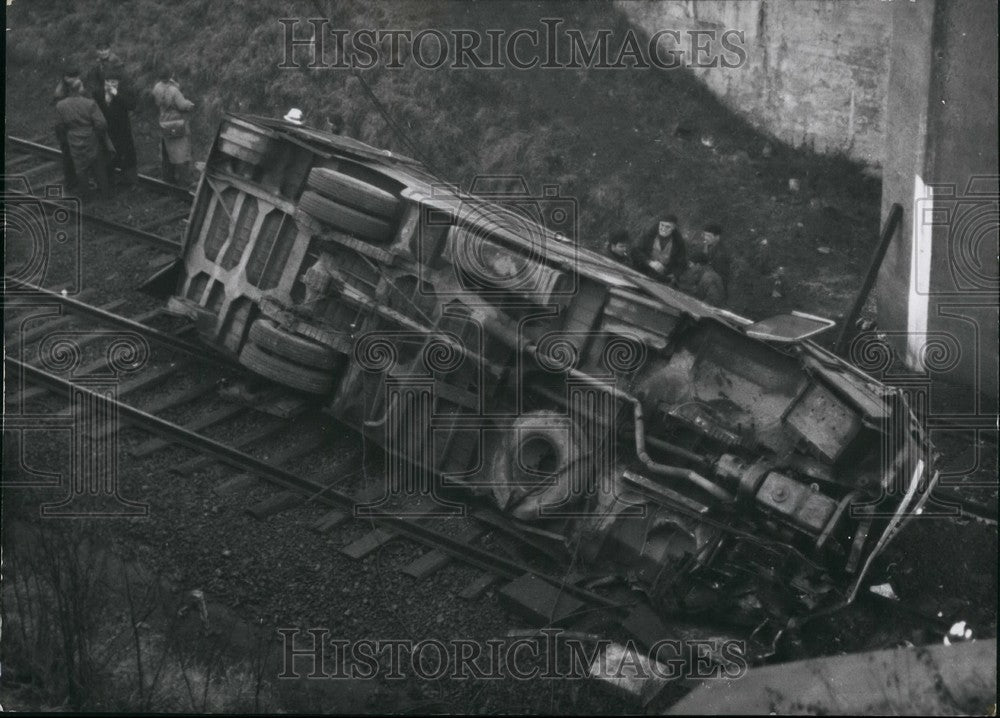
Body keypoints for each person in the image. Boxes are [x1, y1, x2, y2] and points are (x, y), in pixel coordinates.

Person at [55, 78, 109, 199]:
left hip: (73, 138)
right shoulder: (90, 103)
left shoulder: (60, 105)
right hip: (90, 136)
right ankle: (105, 194)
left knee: (80, 168)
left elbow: (59, 126)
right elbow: (102, 124)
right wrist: (97, 134)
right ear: (80, 89)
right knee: (98, 165)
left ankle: (86, 195)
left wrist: (66, 136)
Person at [152, 67, 196, 186]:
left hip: (164, 122)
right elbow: (182, 106)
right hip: (176, 123)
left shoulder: (156, 87)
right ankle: (185, 181)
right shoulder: (173, 90)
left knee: (167, 152)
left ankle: (168, 178)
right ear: (170, 75)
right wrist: (190, 104)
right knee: (181, 152)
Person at [95, 65, 138, 185]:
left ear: (118, 83)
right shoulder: (98, 93)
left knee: (127, 156)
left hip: (122, 130)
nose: (110, 84)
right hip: (107, 132)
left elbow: (131, 105)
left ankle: (130, 181)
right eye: (108, 81)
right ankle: (111, 180)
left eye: (113, 82)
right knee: (109, 156)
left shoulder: (124, 92)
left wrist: (116, 95)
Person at [634, 213, 687, 284]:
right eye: (662, 225)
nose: (663, 229)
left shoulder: (678, 242)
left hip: (662, 278)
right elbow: (635, 251)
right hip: (642, 271)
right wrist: (650, 262)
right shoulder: (649, 235)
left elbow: (682, 263)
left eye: (668, 227)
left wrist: (674, 275)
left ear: (673, 228)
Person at [53, 64, 83, 189]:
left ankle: (74, 180)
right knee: (68, 155)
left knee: (71, 154)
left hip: (69, 126)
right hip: (65, 127)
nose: (76, 79)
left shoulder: (67, 88)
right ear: (66, 78)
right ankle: (71, 182)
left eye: (76, 76)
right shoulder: (61, 93)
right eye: (73, 77)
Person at [691, 222, 733, 289]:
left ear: (717, 236)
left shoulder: (721, 253)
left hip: (715, 284)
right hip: (706, 279)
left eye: (709, 236)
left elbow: (720, 276)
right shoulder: (708, 245)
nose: (706, 238)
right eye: (705, 235)